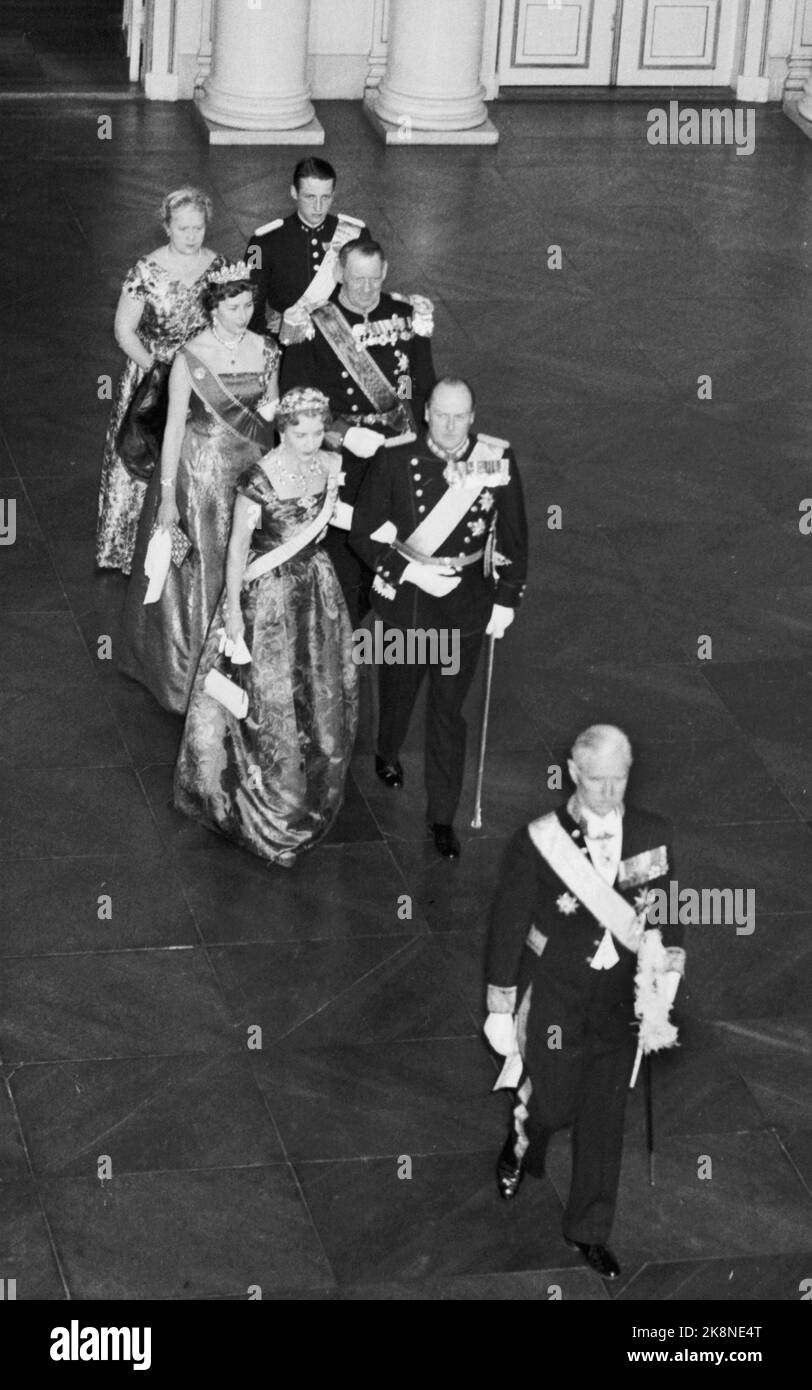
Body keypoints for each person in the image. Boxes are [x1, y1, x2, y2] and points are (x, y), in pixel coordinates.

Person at [484, 725, 687, 1279]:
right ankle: (523, 1140)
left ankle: (589, 1229)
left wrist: (662, 986)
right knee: (552, 1102)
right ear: (573, 773)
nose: (606, 792)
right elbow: (508, 923)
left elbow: (663, 915)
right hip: (554, 992)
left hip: (619, 999)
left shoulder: (651, 832)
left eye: (617, 780)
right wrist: (500, 1006)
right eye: (596, 780)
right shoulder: (540, 840)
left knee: (603, 1116)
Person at [173, 388, 359, 867]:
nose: (312, 441)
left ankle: (310, 784)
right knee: (269, 699)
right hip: (269, 599)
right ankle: (270, 805)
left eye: (319, 432)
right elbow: (237, 549)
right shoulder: (258, 479)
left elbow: (331, 521)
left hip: (317, 592)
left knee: (316, 689)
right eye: (302, 433)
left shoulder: (329, 466)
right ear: (282, 428)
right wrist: (233, 611)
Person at [349, 377, 527, 859]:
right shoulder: (395, 456)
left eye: (460, 416)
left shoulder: (496, 459)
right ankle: (387, 750)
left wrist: (506, 598)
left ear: (473, 416)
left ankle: (442, 817)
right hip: (409, 602)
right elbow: (362, 532)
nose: (450, 426)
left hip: (465, 606)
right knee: (400, 687)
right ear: (427, 411)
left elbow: (512, 533)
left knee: (448, 713)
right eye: (441, 414)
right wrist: (406, 569)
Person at [119, 263, 280, 713]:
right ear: (213, 307)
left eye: (249, 305)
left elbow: (270, 416)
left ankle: (242, 662)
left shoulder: (267, 350)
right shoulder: (191, 356)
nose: (244, 314)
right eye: (234, 307)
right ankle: (189, 673)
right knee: (198, 568)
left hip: (248, 471)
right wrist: (168, 497)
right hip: (199, 477)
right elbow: (172, 430)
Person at [281, 237, 437, 623]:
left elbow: (419, 383)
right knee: (344, 548)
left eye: (373, 279)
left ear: (384, 272)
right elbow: (296, 398)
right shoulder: (315, 322)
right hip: (342, 454)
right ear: (339, 274)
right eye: (356, 279)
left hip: (396, 445)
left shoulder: (407, 314)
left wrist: (418, 439)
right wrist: (342, 432)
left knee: (392, 536)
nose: (366, 289)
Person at [96, 187, 226, 574]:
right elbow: (125, 331)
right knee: (139, 459)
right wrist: (163, 372)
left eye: (198, 228)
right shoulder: (145, 270)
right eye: (183, 228)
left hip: (202, 375)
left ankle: (189, 555)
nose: (191, 236)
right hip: (152, 375)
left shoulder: (219, 267)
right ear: (166, 226)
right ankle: (129, 552)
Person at [245, 157, 370, 336]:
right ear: (294, 192)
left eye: (325, 197)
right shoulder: (261, 242)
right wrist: (263, 345)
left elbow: (368, 295)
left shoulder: (357, 236)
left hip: (340, 338)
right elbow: (250, 301)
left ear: (333, 194)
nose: (318, 207)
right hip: (287, 337)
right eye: (310, 197)